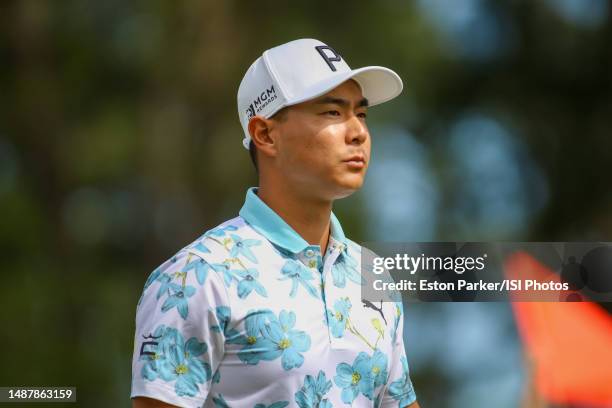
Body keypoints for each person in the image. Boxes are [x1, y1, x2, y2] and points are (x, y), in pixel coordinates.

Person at [131, 38, 419, 408]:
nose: (358, 132)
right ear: (265, 134)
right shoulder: (196, 277)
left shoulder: (372, 277)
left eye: (361, 114)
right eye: (332, 113)